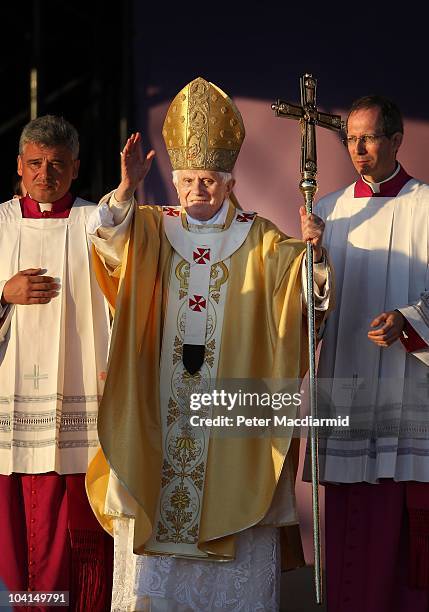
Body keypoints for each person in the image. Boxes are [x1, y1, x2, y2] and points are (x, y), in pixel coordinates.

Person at [85, 77, 332, 611]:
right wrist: (126, 189)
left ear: (230, 179)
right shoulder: (151, 228)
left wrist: (312, 255)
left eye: (210, 179)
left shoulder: (260, 236)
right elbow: (107, 244)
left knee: (234, 522)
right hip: (161, 406)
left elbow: (302, 296)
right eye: (190, 178)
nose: (199, 189)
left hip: (226, 416)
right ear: (175, 181)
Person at [314, 95, 429, 611]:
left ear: (397, 140)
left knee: (406, 531)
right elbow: (309, 312)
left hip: (410, 385)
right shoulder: (327, 210)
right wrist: (311, 259)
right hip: (348, 386)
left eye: (369, 137)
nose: (358, 149)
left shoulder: (426, 206)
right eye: (351, 139)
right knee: (350, 528)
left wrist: (409, 320)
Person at [0, 115, 113, 610]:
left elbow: (123, 280)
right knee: (13, 531)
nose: (46, 173)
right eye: (36, 163)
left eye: (58, 164)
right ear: (19, 167)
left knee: (74, 529)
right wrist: (4, 292)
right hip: (11, 400)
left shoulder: (94, 223)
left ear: (75, 169)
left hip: (76, 401)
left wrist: (128, 188)